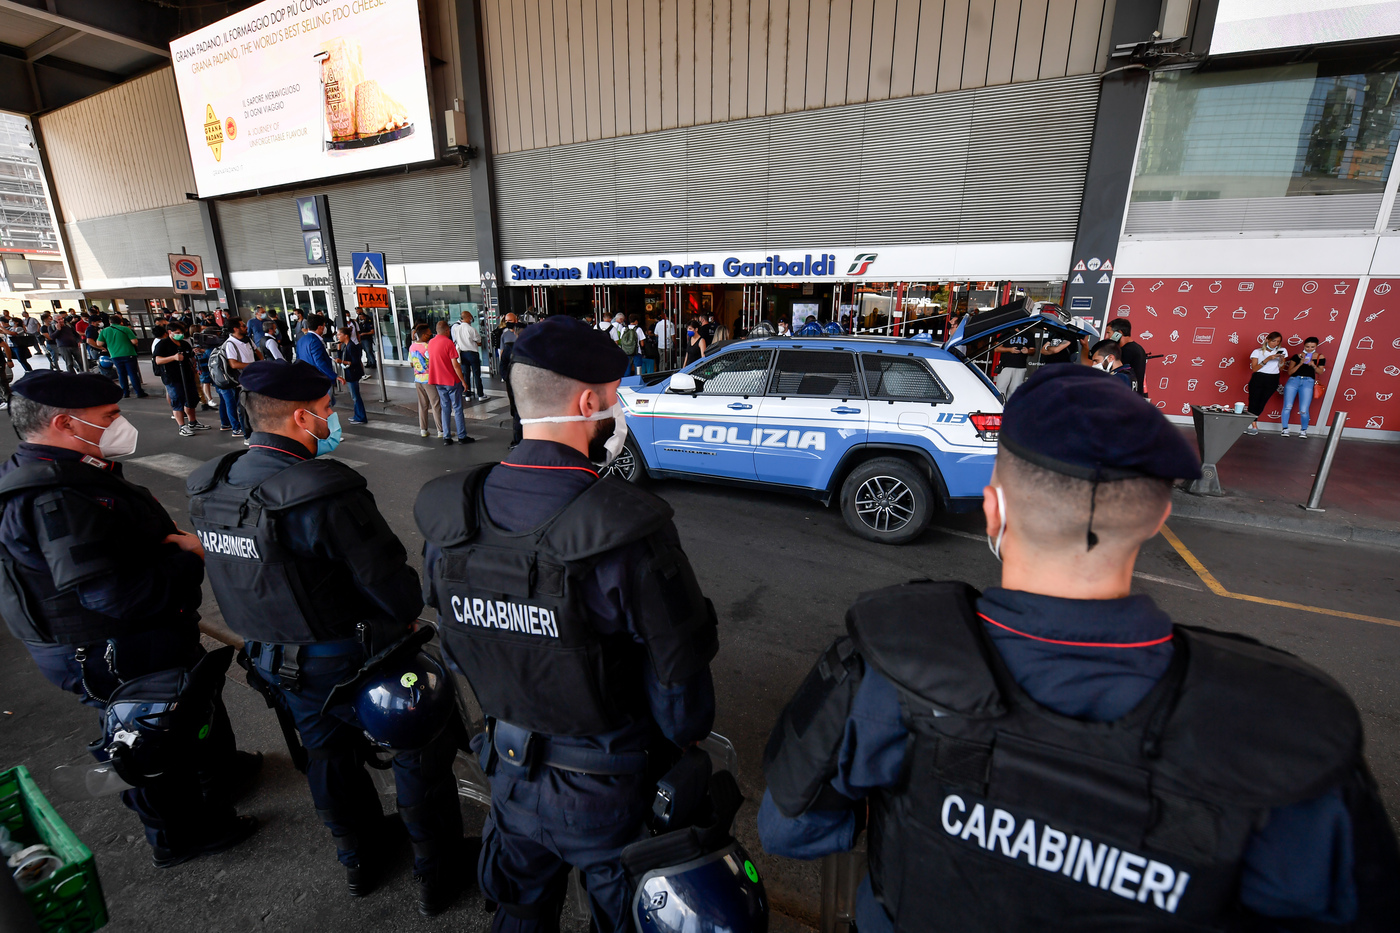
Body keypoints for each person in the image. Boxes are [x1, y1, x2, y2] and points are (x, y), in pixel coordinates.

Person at [759, 365, 1400, 931]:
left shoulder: (891, 660)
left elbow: (790, 828)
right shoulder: (1283, 727)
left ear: (993, 511)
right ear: (1156, 518)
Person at [415, 315, 719, 930]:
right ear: (587, 402)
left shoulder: (456, 514)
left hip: (509, 771)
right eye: (615, 401)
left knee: (520, 912)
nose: (618, 415)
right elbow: (682, 696)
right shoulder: (627, 525)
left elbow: (455, 639)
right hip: (609, 790)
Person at [186, 361, 473, 914]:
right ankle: (438, 871)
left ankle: (359, 860)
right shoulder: (322, 490)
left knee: (328, 759)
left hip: (278, 659)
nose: (331, 419)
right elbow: (394, 590)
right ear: (301, 417)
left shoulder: (213, 483)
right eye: (326, 410)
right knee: (419, 755)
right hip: (361, 659)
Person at [0, 370, 260, 867]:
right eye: (108, 417)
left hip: (142, 636)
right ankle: (180, 835)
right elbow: (112, 595)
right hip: (110, 649)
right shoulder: (53, 498)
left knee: (188, 707)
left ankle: (216, 774)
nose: (120, 425)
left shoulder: (68, 469)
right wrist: (189, 556)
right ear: (63, 423)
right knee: (151, 738)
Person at [151, 323, 209, 437]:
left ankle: (193, 422)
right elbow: (157, 360)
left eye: (181, 333)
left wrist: (194, 359)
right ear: (169, 332)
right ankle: (182, 426)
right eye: (177, 333)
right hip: (172, 377)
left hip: (187, 375)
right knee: (177, 400)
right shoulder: (162, 344)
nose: (180, 335)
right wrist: (173, 358)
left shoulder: (184, 344)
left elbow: (190, 356)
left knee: (191, 398)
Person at [427, 321, 472, 445]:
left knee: (445, 408)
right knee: (457, 408)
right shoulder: (448, 343)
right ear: (447, 331)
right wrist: (463, 381)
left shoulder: (430, 343)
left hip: (437, 381)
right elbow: (455, 365)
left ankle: (446, 436)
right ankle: (462, 436)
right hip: (451, 380)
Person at [1281, 337, 1325, 439]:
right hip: (1293, 381)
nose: (1309, 349)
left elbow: (1320, 372)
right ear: (1304, 345)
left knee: (1304, 409)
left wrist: (1313, 365)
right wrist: (1300, 363)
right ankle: (1285, 429)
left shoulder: (1320, 357)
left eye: (1312, 347)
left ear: (1316, 346)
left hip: (1308, 382)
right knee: (1287, 406)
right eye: (1307, 346)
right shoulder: (1297, 356)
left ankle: (1303, 430)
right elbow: (1290, 372)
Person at [221, 319, 258, 439]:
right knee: (244, 409)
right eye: (243, 326)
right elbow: (233, 364)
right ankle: (247, 435)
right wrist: (253, 366)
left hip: (253, 377)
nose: (246, 327)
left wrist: (261, 363)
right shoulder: (230, 344)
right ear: (235, 329)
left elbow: (257, 351)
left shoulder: (247, 339)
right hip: (242, 381)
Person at [96, 315, 148, 398]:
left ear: (110, 322)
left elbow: (99, 343)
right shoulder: (125, 329)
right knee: (133, 374)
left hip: (115, 355)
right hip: (129, 353)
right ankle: (139, 392)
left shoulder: (104, 331)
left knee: (121, 374)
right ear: (121, 322)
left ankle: (125, 393)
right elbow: (134, 341)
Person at [1246, 331, 1287, 435]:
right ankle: (1254, 426)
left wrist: (1281, 360)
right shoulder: (1258, 352)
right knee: (1253, 401)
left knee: (1262, 402)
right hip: (1258, 377)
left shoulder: (1282, 350)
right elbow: (1254, 368)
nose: (1275, 343)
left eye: (1278, 341)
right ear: (1267, 340)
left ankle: (1248, 422)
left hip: (1273, 379)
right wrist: (1268, 359)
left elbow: (1281, 368)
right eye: (1273, 341)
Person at [294, 315, 343, 395]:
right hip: (319, 379)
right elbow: (319, 362)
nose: (325, 328)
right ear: (320, 327)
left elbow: (298, 359)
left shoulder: (301, 340)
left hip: (307, 378)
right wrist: (334, 375)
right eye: (324, 326)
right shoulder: (315, 341)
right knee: (325, 403)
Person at [409, 323, 442, 438]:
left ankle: (423, 429)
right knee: (436, 404)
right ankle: (441, 430)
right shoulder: (427, 347)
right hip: (429, 379)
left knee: (422, 405)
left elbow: (411, 363)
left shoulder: (412, 347)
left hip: (417, 379)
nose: (430, 335)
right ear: (423, 335)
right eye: (428, 334)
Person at [335, 326, 368, 425]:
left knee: (356, 396)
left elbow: (355, 361)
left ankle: (361, 417)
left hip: (353, 373)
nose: (338, 337)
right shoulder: (345, 345)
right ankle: (357, 415)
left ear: (345, 336)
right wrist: (339, 350)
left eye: (339, 334)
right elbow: (341, 358)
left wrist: (343, 361)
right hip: (349, 373)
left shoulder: (351, 346)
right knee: (354, 396)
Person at [1106, 318, 1146, 395]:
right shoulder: (1138, 348)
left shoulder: (1127, 350)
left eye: (1109, 333)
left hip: (1127, 396)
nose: (1107, 337)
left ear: (1119, 333)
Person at [452, 310, 485, 401]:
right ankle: (480, 395)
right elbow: (478, 340)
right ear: (467, 317)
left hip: (462, 353)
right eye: (470, 317)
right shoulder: (471, 329)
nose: (471, 319)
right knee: (476, 374)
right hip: (472, 353)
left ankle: (467, 395)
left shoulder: (456, 329)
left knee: (466, 374)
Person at [995, 330, 1033, 398]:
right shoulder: (1007, 332)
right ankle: (999, 407)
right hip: (1005, 366)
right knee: (1000, 389)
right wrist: (1010, 350)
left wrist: (1028, 351)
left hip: (1020, 367)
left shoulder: (1029, 334)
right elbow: (997, 348)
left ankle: (1010, 407)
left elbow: (1033, 350)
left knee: (1014, 391)